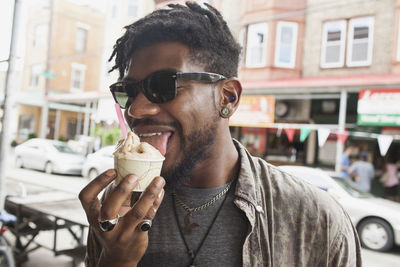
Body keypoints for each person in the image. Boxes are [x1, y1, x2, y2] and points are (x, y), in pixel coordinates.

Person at [79, 2, 361, 266]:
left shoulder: (315, 220)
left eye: (163, 85)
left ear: (228, 98)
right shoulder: (120, 208)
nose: (136, 111)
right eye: (127, 92)